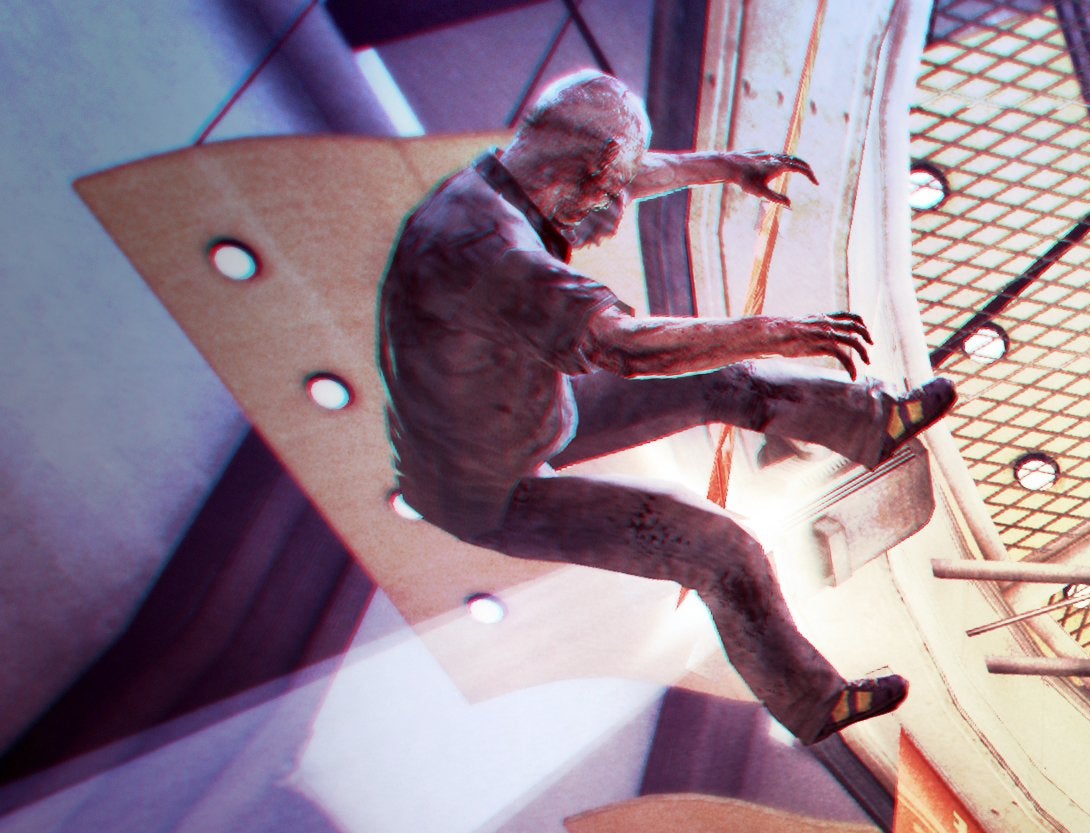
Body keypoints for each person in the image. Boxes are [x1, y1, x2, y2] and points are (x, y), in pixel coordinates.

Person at [379, 70, 955, 744]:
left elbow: (627, 172)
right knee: (719, 548)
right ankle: (815, 701)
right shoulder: (487, 249)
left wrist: (727, 167)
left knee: (725, 382)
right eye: (606, 193)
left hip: (532, 414)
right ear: (587, 168)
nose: (606, 219)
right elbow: (625, 347)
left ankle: (873, 421)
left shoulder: (517, 172)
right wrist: (777, 331)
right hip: (485, 491)